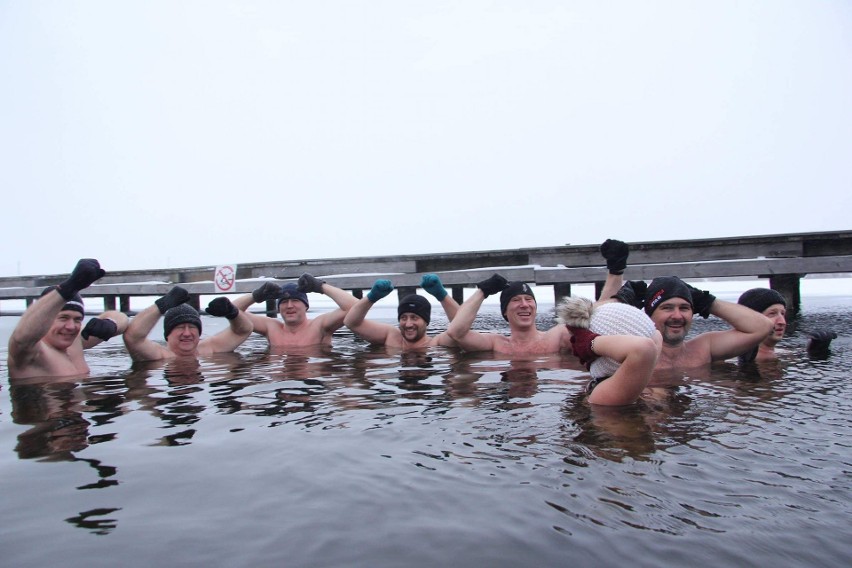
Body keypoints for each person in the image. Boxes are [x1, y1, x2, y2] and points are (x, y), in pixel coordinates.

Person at [445, 239, 628, 356]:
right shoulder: (496, 344)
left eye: (529, 299)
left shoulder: (556, 336)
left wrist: (615, 271)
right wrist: (482, 291)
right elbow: (456, 332)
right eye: (516, 300)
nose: (524, 305)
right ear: (505, 312)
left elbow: (599, 318)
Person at [614, 276, 773, 369]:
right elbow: (590, 335)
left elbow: (762, 327)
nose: (677, 316)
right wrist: (619, 301)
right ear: (649, 315)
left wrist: (709, 302)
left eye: (684, 308)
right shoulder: (634, 354)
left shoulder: (704, 348)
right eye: (667, 308)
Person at [7, 259, 129, 379]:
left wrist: (110, 324)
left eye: (77, 319)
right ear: (46, 320)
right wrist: (68, 288)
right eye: (63, 318)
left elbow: (122, 319)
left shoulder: (75, 342)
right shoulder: (30, 353)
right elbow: (21, 338)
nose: (71, 326)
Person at [557, 296, 662, 406]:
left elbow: (655, 338)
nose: (656, 347)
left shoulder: (630, 383)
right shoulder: (604, 394)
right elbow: (645, 349)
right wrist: (590, 343)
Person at [123, 286, 252, 361]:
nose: (187, 333)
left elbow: (242, 331)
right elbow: (132, 338)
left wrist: (232, 312)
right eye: (179, 327)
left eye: (192, 327)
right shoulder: (159, 356)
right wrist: (162, 305)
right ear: (167, 334)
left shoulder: (210, 350)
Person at [231, 273, 358, 349]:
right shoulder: (271, 328)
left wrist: (320, 286)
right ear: (278, 308)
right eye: (284, 302)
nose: (289, 306)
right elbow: (230, 311)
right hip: (282, 380)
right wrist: (256, 296)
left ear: (306, 306)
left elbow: (356, 307)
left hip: (313, 377)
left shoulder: (320, 326)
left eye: (295, 300)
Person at [344, 274, 460, 350]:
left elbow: (461, 328)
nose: (408, 324)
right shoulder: (392, 336)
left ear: (426, 321)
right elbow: (352, 323)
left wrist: (441, 295)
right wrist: (372, 297)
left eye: (414, 318)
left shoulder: (436, 344)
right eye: (403, 318)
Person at [736, 287, 837, 362]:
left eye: (783, 314)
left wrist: (817, 350)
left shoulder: (783, 353)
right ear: (751, 319)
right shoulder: (731, 358)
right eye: (772, 313)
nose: (782, 322)